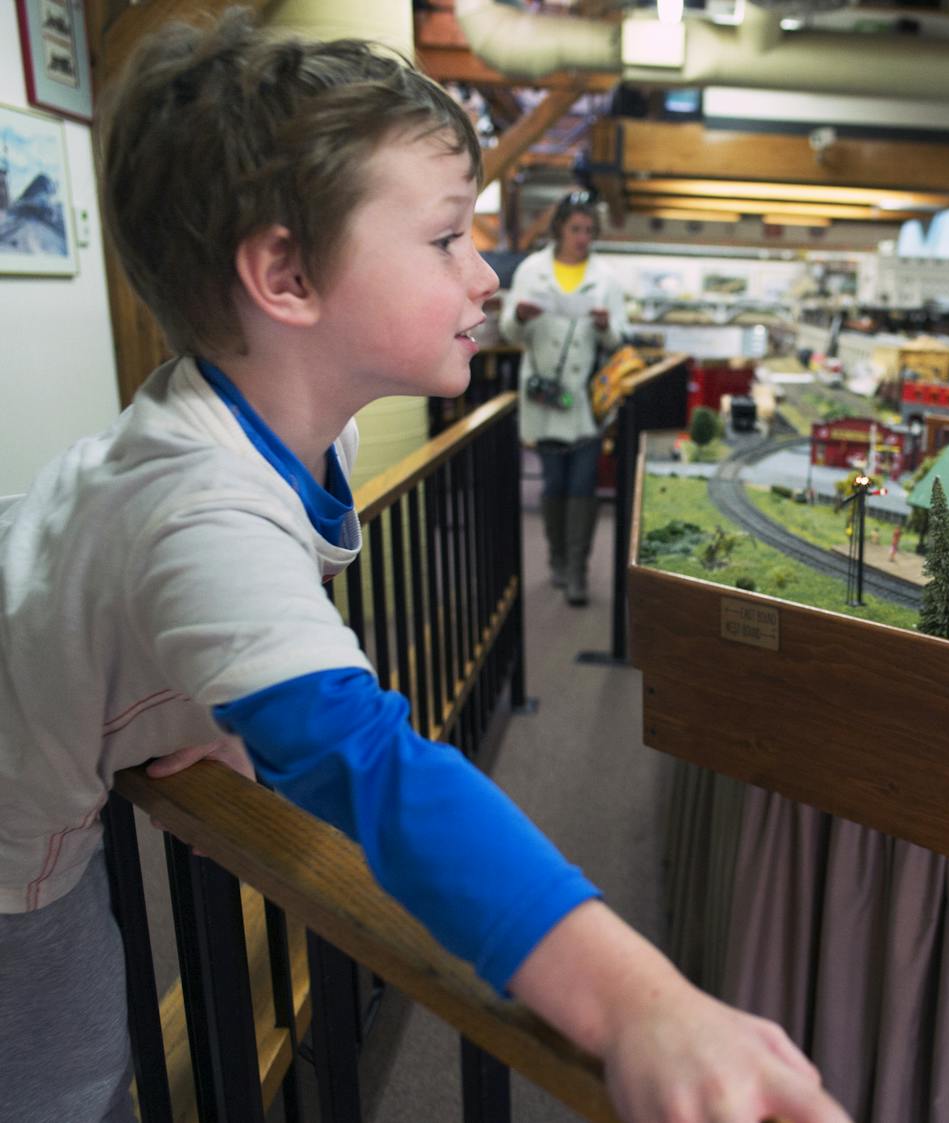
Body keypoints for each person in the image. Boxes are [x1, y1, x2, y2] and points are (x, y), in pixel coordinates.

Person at [0, 15, 848, 1123]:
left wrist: (184, 693)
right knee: (65, 1074)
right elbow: (367, 762)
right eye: (446, 237)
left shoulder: (275, 427)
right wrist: (642, 1004)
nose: (487, 273)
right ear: (288, 273)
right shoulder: (198, 511)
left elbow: (156, 589)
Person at [500, 190, 627, 607]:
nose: (583, 238)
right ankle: (556, 557)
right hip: (544, 393)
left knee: (583, 484)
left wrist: (606, 326)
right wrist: (520, 315)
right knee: (554, 483)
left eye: (589, 231)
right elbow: (508, 330)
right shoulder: (532, 270)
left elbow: (618, 340)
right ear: (559, 229)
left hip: (586, 398)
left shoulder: (606, 277)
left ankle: (577, 569)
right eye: (576, 229)